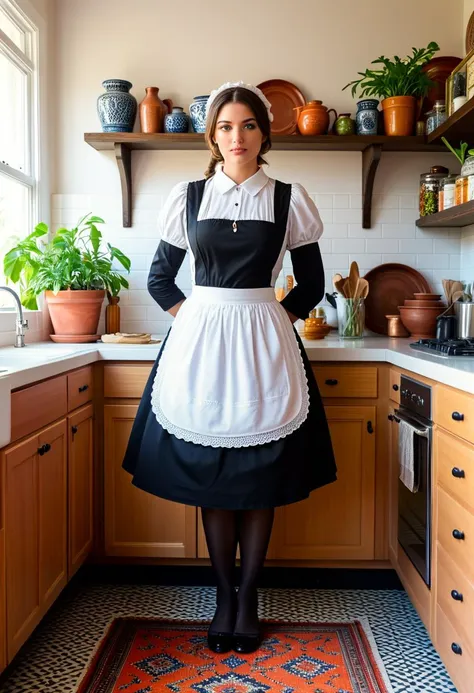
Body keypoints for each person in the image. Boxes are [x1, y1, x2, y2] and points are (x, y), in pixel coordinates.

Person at [122, 80, 337, 656]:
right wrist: (196, 319)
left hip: (266, 344)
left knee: (259, 478)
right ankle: (223, 597)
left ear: (264, 133)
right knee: (212, 479)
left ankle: (249, 599)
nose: (236, 136)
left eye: (246, 125)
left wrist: (272, 319)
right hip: (201, 346)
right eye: (224, 126)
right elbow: (160, 280)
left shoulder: (290, 198)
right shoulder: (189, 197)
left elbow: (312, 284)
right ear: (212, 136)